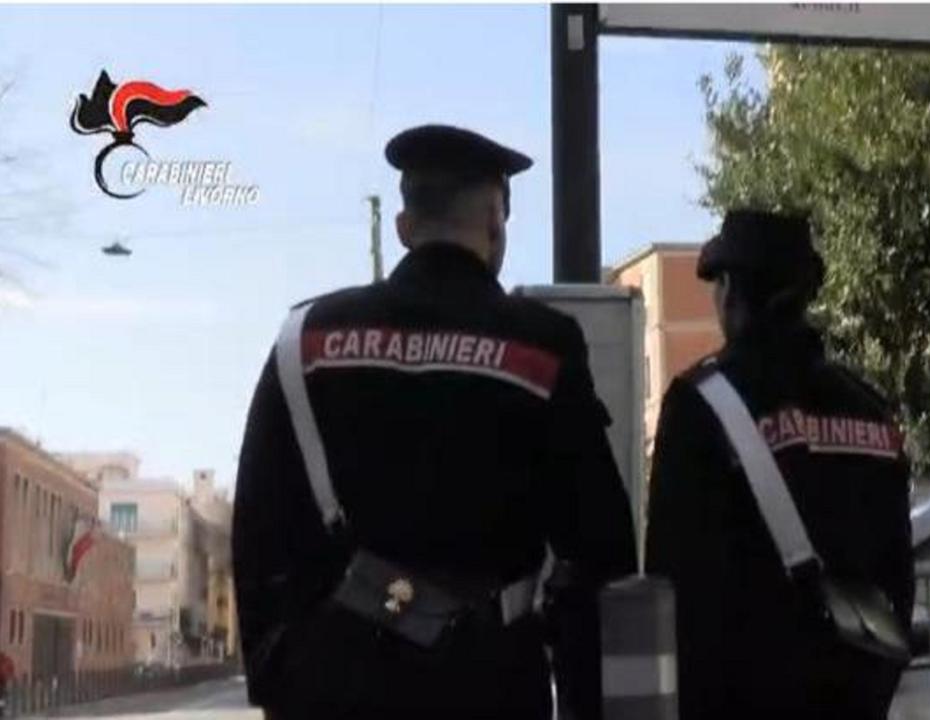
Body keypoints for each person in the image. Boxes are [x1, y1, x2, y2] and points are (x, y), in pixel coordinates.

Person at [233, 124, 636, 720]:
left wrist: (283, 684)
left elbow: (259, 534)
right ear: (496, 221)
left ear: (404, 227)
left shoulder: (306, 341)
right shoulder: (542, 347)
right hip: (493, 686)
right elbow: (600, 547)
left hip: (339, 686)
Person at [644, 209, 915, 720]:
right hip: (855, 698)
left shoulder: (701, 403)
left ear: (729, 291)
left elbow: (674, 581)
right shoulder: (872, 411)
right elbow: (898, 576)